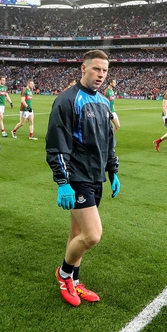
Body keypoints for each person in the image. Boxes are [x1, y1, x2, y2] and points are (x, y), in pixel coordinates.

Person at [46, 49, 120, 307]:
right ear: (84, 68)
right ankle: (63, 274)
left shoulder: (102, 101)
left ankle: (75, 283)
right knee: (92, 235)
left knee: (76, 233)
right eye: (96, 69)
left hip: (95, 176)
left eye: (104, 70)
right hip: (77, 178)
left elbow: (109, 141)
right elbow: (57, 145)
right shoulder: (67, 100)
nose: (101, 74)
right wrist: (63, 182)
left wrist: (113, 170)